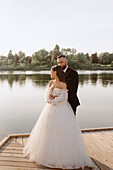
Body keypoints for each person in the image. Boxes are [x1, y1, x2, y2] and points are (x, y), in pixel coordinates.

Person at [23, 65, 94, 169]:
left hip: (61, 109)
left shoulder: (63, 84)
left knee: (61, 132)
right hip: (49, 109)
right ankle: (47, 155)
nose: (50, 73)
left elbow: (63, 98)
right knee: (48, 130)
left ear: (56, 72)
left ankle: (63, 157)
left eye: (51, 71)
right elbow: (47, 94)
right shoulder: (51, 83)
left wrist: (53, 101)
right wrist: (49, 98)